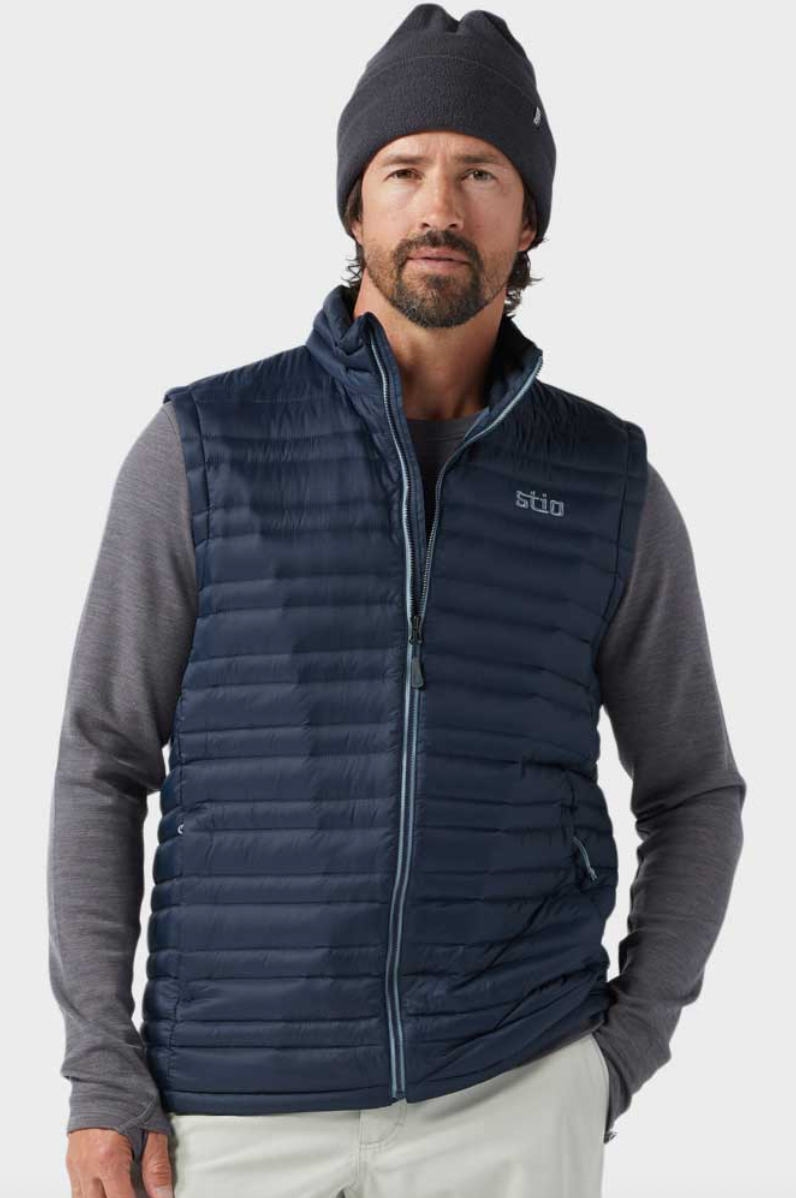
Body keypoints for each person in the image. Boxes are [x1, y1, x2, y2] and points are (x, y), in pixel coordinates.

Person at [48, 6, 747, 1197]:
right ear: (354, 209)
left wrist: (615, 1057)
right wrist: (102, 1071)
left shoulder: (607, 483)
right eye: (404, 170)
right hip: (231, 1104)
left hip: (510, 1091)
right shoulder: (202, 449)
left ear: (528, 219)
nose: (439, 207)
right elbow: (102, 762)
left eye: (480, 173)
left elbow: (693, 791)